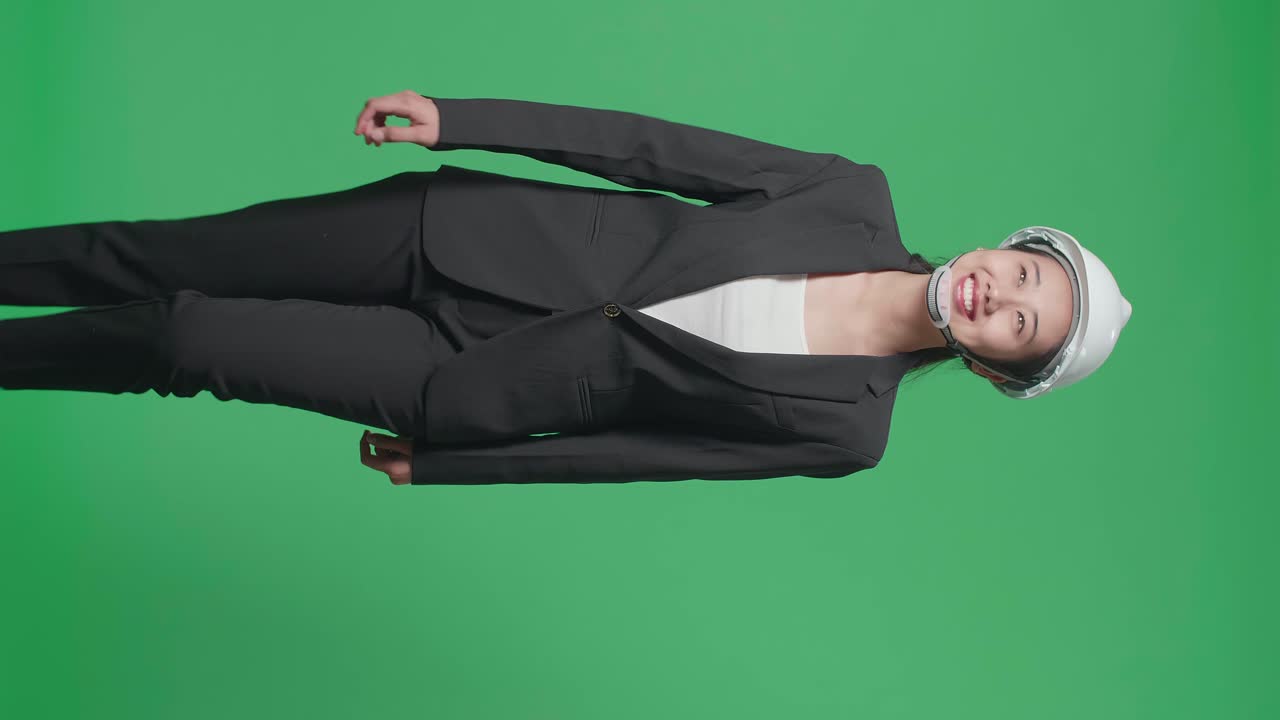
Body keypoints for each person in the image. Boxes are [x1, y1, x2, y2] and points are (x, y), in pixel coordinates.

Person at [0, 91, 1132, 487]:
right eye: (1023, 273)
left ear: (998, 370)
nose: (1002, 297)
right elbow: (650, 148)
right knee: (162, 256)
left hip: (472, 383)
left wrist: (456, 464)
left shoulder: (849, 434)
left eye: (1024, 327)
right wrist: (468, 121)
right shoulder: (847, 194)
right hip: (457, 234)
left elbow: (646, 454)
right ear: (1005, 244)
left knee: (187, 341)